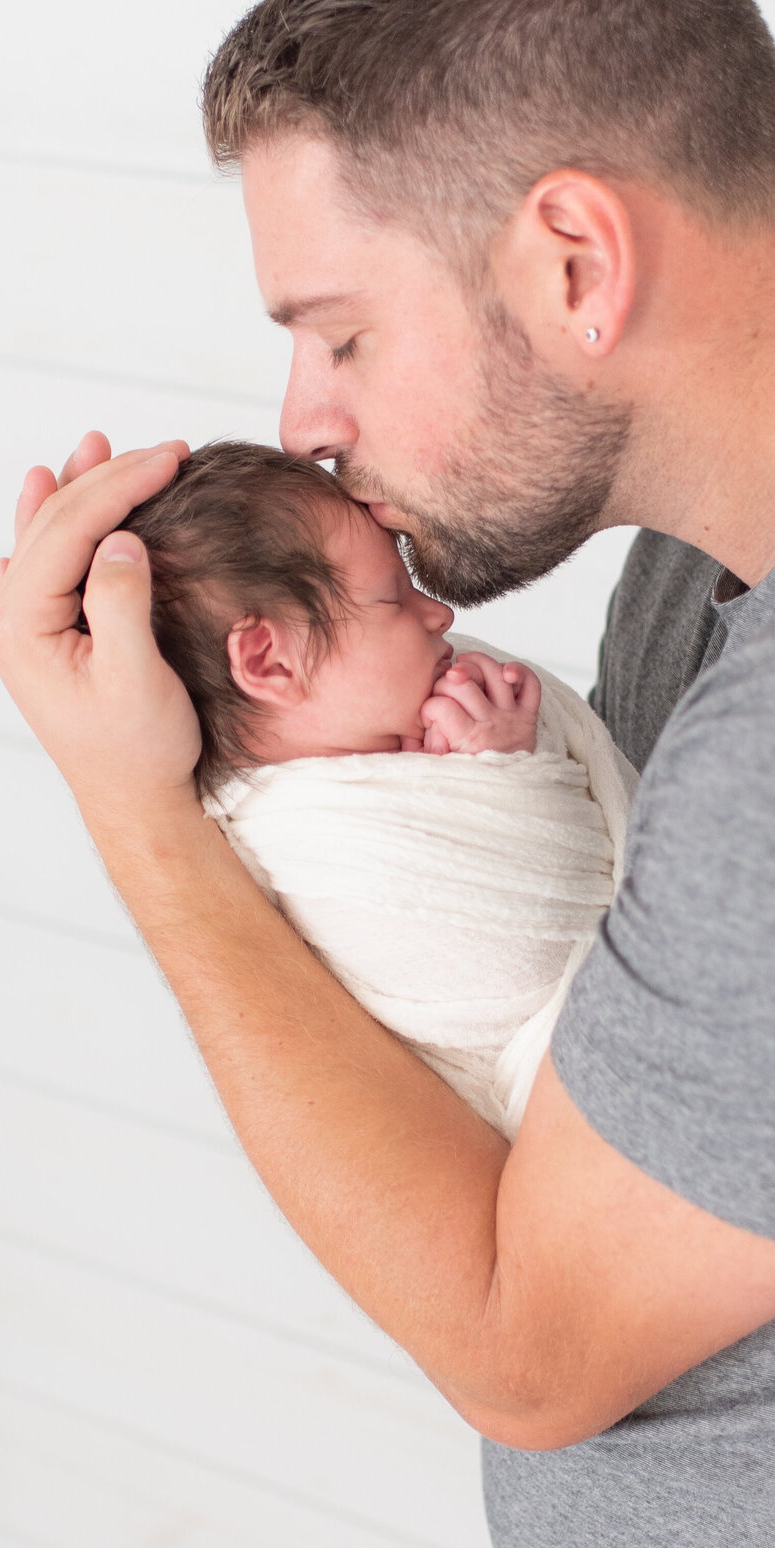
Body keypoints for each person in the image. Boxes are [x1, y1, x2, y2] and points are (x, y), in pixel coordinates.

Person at [0, 0, 775, 1548]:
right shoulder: (744, 546)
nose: (303, 417)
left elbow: (525, 1344)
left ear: (575, 263)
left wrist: (139, 809)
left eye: (343, 333)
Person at [114, 436, 635, 1138]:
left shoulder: (434, 703)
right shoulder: (297, 842)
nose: (439, 615)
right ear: (269, 660)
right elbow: (524, 955)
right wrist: (503, 775)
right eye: (392, 596)